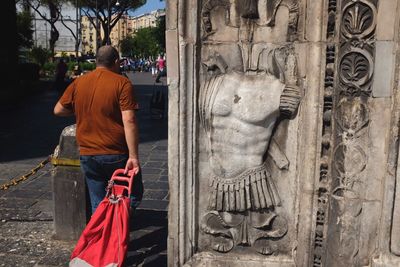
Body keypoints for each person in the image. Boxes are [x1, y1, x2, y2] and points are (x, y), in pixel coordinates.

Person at [53, 45, 143, 215]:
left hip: (87, 152)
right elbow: (129, 119)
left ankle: (103, 236)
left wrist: (82, 108)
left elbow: (58, 110)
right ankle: (118, 225)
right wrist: (133, 156)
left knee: (98, 201)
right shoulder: (122, 83)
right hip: (115, 151)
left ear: (96, 61)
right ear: (116, 61)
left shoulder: (78, 82)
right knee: (133, 194)